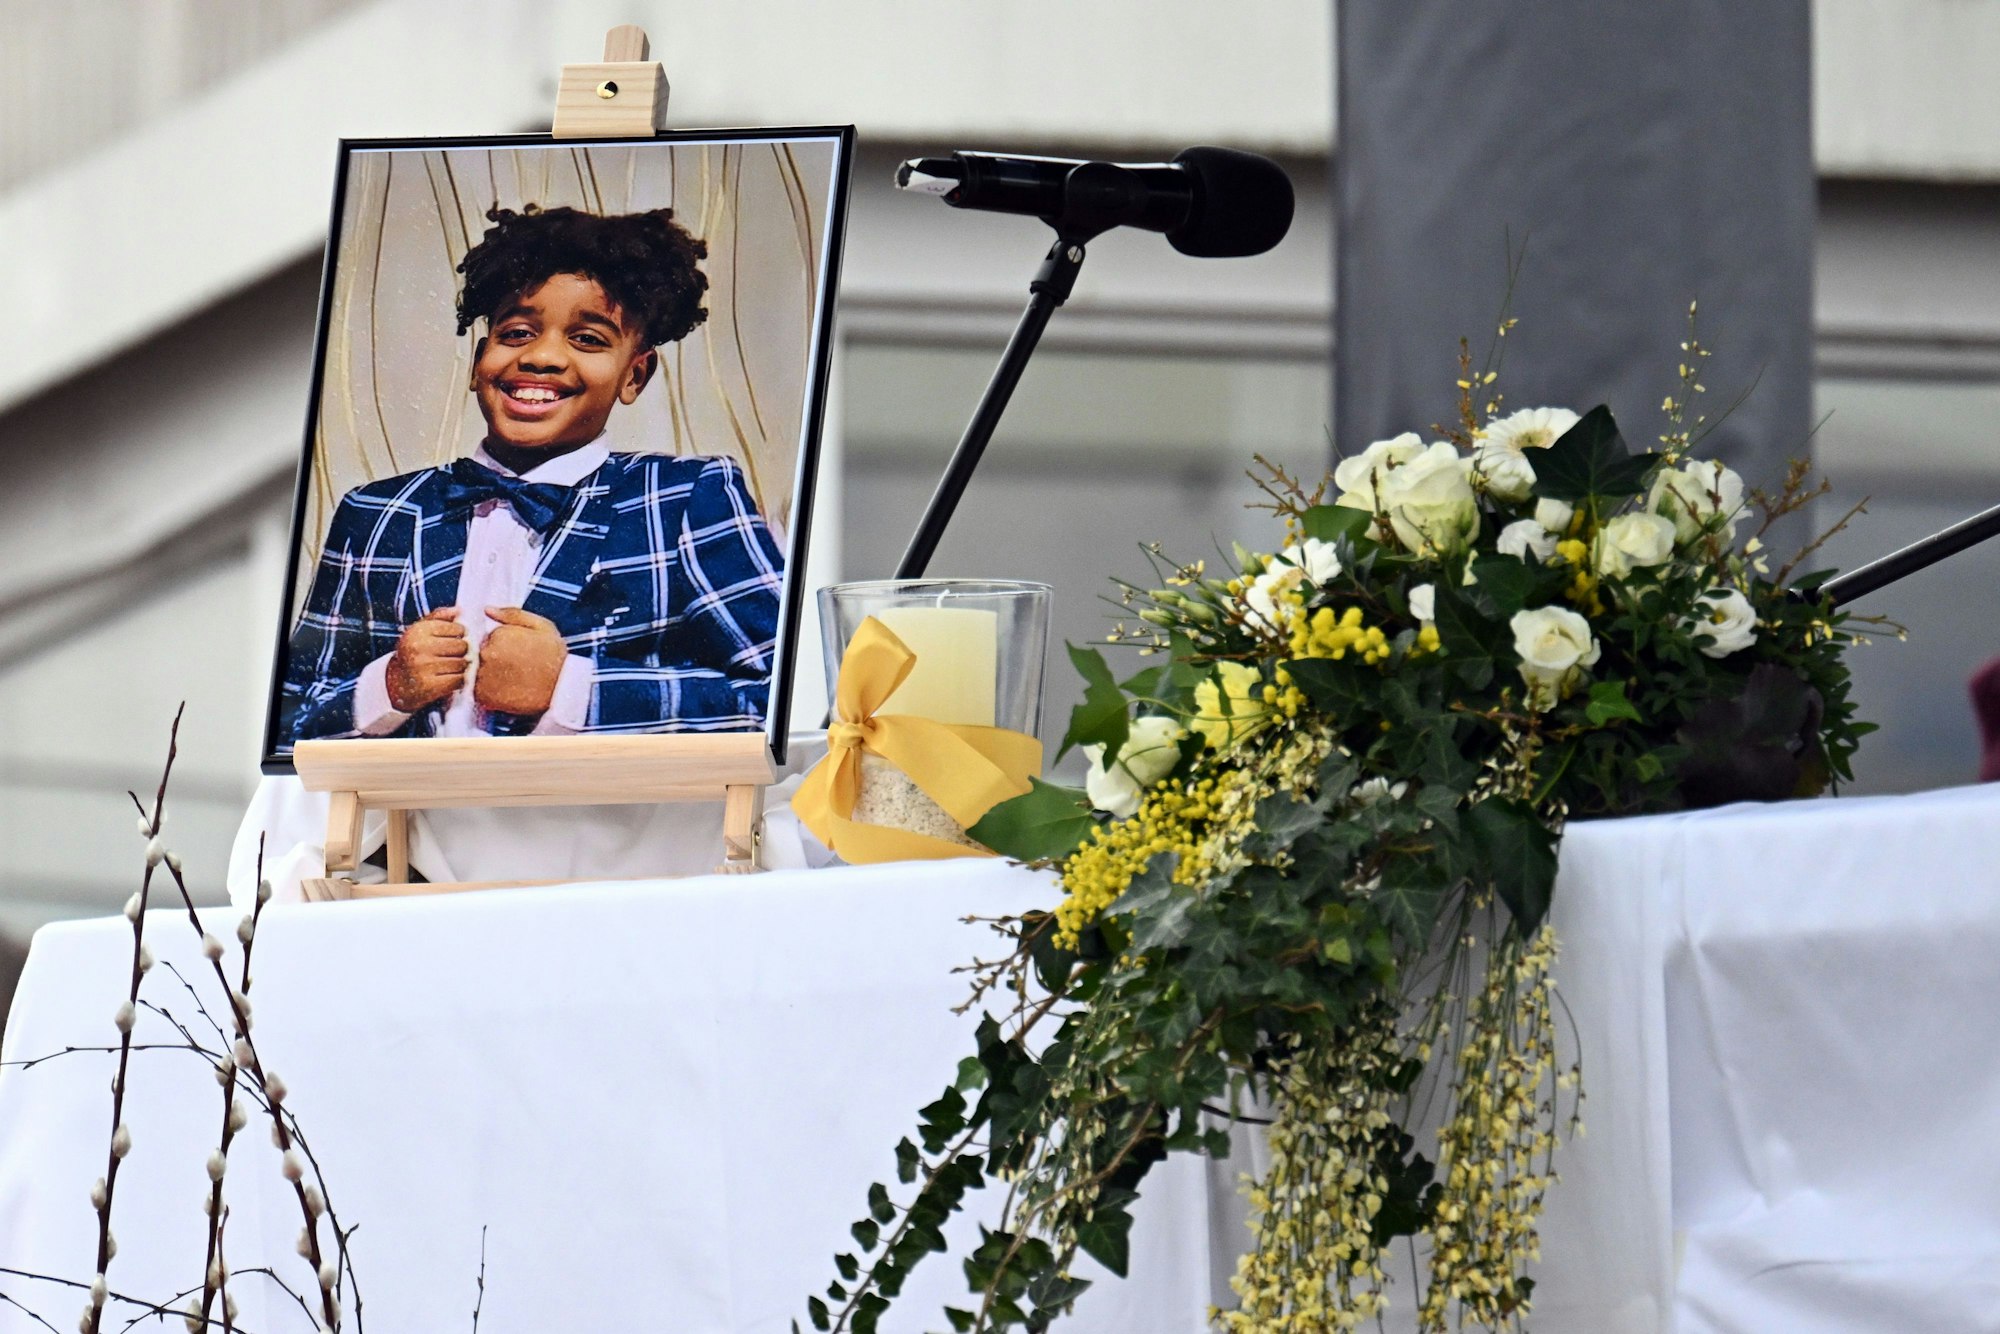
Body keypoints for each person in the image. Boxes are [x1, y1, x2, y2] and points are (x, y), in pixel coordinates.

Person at [278, 204, 784, 752]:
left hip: (608, 837)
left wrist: (571, 689)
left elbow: (781, 699)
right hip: (413, 837)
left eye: (588, 339)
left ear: (634, 374)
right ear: (478, 363)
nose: (542, 357)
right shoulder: (375, 513)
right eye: (517, 333)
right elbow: (285, 727)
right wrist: (387, 688)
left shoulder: (687, 498)